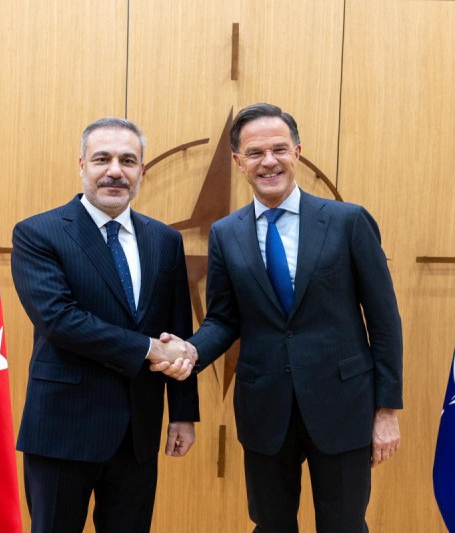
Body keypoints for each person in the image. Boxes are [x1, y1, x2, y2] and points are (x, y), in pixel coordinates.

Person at [156, 103, 403, 532]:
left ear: (297, 153)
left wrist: (386, 410)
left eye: (279, 149)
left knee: (345, 525)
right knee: (270, 525)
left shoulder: (348, 222)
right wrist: (191, 351)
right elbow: (223, 320)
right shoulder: (226, 234)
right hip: (264, 408)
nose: (268, 161)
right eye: (255, 152)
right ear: (239, 162)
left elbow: (384, 320)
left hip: (343, 406)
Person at [11, 117, 199, 533]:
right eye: (102, 159)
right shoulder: (38, 233)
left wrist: (183, 413)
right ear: (82, 165)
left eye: (127, 161)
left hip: (138, 432)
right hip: (63, 430)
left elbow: (177, 330)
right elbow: (60, 320)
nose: (115, 171)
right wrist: (150, 349)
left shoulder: (165, 240)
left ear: (141, 170)